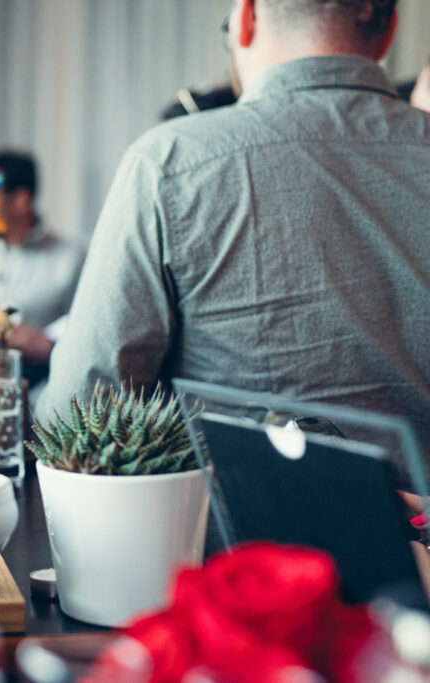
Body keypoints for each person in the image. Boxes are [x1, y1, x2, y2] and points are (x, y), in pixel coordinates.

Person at [36, 0, 430, 456]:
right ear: (389, 31)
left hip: (243, 524)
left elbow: (78, 414)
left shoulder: (170, 162)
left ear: (246, 19)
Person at [0, 149, 86, 379]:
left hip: (44, 388)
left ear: (20, 201)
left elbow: (91, 336)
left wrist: (50, 346)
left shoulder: (71, 259)